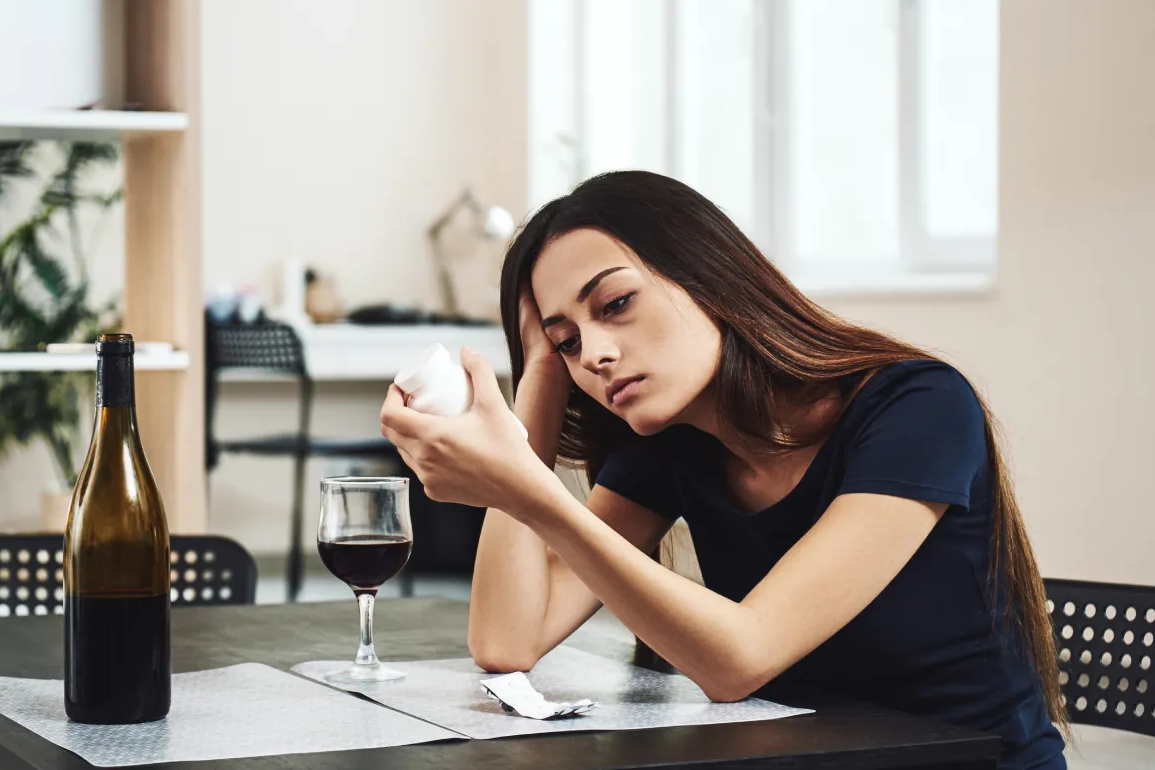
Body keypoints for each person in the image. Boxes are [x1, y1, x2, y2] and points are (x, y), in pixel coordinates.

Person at [380, 171, 1067, 770]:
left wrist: (526, 490)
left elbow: (741, 658)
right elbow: (508, 642)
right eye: (567, 340)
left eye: (616, 303)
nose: (594, 353)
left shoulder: (917, 406)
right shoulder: (671, 446)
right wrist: (535, 391)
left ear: (710, 277)